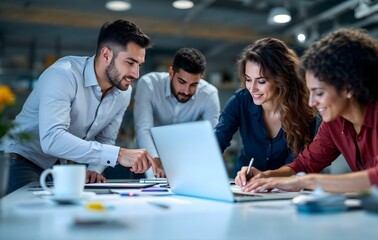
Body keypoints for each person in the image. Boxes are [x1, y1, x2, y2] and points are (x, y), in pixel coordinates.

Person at [236, 28, 378, 193]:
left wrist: (306, 181)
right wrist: (267, 176)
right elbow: (305, 163)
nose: (311, 103)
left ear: (348, 87)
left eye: (319, 93)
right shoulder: (335, 121)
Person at [5, 19, 162, 193]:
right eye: (130, 62)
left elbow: (106, 139)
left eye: (139, 65)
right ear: (106, 55)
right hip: (18, 159)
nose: (136, 73)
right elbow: (52, 139)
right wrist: (118, 154)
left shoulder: (123, 92)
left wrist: (94, 169)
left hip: (57, 167)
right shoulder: (63, 75)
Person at [215, 38, 319, 176]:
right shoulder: (241, 100)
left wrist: (267, 177)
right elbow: (218, 139)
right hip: (244, 184)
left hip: (286, 189)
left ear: (281, 78)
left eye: (261, 81)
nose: (252, 88)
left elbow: (301, 164)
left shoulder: (304, 109)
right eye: (248, 79)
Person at [133, 48, 220, 176]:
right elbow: (143, 129)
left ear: (201, 78)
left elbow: (211, 138)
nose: (186, 91)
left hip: (185, 163)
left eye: (193, 85)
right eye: (182, 82)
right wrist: (155, 163)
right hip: (146, 158)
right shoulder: (148, 84)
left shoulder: (209, 94)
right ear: (170, 72)